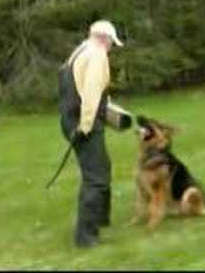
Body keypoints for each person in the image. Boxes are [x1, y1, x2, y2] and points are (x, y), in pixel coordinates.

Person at [59, 20, 123, 248]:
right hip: (83, 124)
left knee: (102, 168)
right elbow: (91, 94)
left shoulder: (80, 51)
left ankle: (101, 219)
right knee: (96, 179)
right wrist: (85, 127)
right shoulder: (96, 55)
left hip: (69, 119)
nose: (111, 48)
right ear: (105, 39)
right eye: (111, 44)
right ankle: (85, 237)